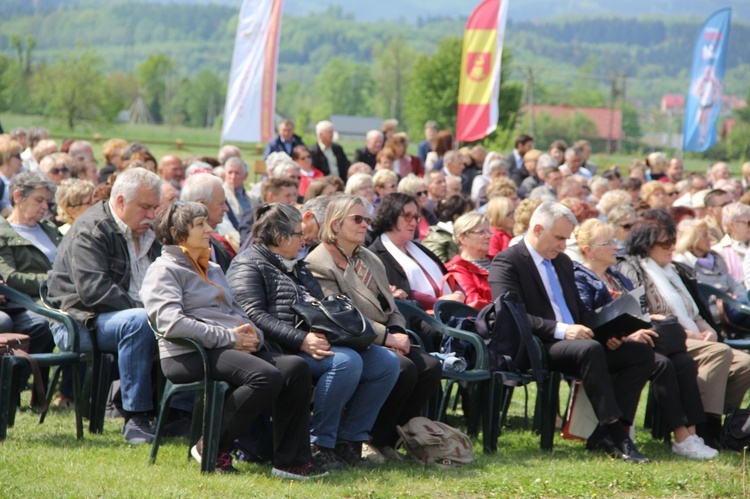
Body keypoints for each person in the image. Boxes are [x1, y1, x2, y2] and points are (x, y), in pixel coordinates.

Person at [140, 202, 325, 478]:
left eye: (207, 222)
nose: (210, 229)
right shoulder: (164, 269)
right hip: (188, 354)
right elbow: (171, 323)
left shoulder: (212, 267)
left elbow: (238, 312)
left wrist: (255, 337)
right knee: (265, 376)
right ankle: (212, 446)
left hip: (227, 347)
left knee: (295, 368)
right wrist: (229, 338)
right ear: (179, 233)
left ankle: (290, 461)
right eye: (201, 224)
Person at [227, 203, 399, 471]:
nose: (304, 238)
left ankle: (348, 440)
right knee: (345, 362)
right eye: (298, 234)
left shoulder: (295, 264)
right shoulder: (248, 264)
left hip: (314, 342)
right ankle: (320, 444)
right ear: (281, 237)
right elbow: (254, 316)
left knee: (385, 362)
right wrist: (301, 340)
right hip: (281, 351)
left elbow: (319, 304)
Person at [489, 202, 654, 463]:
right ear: (538, 229)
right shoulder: (507, 261)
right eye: (559, 238)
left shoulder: (563, 262)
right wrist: (563, 330)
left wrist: (611, 330)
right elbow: (510, 316)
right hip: (538, 344)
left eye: (566, 238)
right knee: (588, 349)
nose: (564, 245)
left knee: (641, 353)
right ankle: (618, 435)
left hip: (580, 342)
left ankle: (603, 435)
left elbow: (580, 313)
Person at [304, 195, 441, 462]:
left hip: (383, 336)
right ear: (334, 225)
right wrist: (386, 338)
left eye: (366, 219)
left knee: (430, 368)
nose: (365, 224)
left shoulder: (368, 257)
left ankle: (385, 438)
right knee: (402, 367)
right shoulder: (319, 262)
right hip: (350, 340)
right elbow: (341, 318)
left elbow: (391, 307)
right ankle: (356, 438)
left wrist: (398, 331)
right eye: (357, 219)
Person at [574, 218, 717, 459]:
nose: (615, 247)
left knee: (682, 361)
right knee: (662, 363)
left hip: (633, 339)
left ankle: (689, 435)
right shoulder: (580, 279)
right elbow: (586, 318)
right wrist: (627, 333)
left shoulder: (619, 277)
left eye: (614, 241)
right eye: (607, 242)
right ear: (589, 250)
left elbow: (636, 311)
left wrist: (639, 326)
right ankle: (631, 433)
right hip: (606, 344)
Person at [47, 167, 162, 444]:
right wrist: (152, 314)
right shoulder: (91, 229)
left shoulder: (150, 232)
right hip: (79, 321)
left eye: (155, 208)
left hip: (120, 319)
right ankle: (136, 417)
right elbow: (94, 291)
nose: (152, 215)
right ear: (120, 201)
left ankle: (178, 415)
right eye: (145, 207)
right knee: (138, 322)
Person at [616, 216, 750, 447]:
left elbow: (696, 313)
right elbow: (643, 316)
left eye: (672, 243)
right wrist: (691, 335)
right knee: (719, 354)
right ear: (647, 246)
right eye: (665, 244)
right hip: (663, 337)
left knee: (744, 363)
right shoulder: (635, 270)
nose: (671, 249)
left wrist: (708, 331)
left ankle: (727, 423)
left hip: (695, 336)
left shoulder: (674, 271)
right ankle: (707, 428)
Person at [369, 193, 465, 318]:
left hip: (448, 312)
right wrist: (441, 303)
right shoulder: (375, 255)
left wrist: (459, 293)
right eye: (407, 216)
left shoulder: (418, 248)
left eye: (416, 217)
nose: (414, 223)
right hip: (419, 321)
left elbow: (447, 277)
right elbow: (404, 292)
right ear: (390, 216)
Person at [673, 218, 750, 332]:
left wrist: (737, 298)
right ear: (693, 239)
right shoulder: (682, 264)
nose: (710, 239)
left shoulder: (716, 258)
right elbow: (697, 295)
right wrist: (726, 298)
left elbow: (733, 284)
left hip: (736, 306)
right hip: (715, 312)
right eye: (705, 235)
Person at [0, 172, 62, 299]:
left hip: (66, 294)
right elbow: (10, 277)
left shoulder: (49, 228)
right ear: (18, 196)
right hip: (35, 302)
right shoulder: (3, 232)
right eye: (39, 200)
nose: (45, 207)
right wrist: (55, 279)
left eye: (47, 202)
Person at [446, 213, 493, 309]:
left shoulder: (498, 260)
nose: (488, 236)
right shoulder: (457, 268)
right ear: (463, 238)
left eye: (489, 231)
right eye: (481, 232)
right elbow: (474, 302)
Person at [421, 195, 473, 263]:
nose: (472, 219)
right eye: (468, 215)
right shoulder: (435, 239)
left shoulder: (462, 236)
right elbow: (438, 269)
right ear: (456, 217)